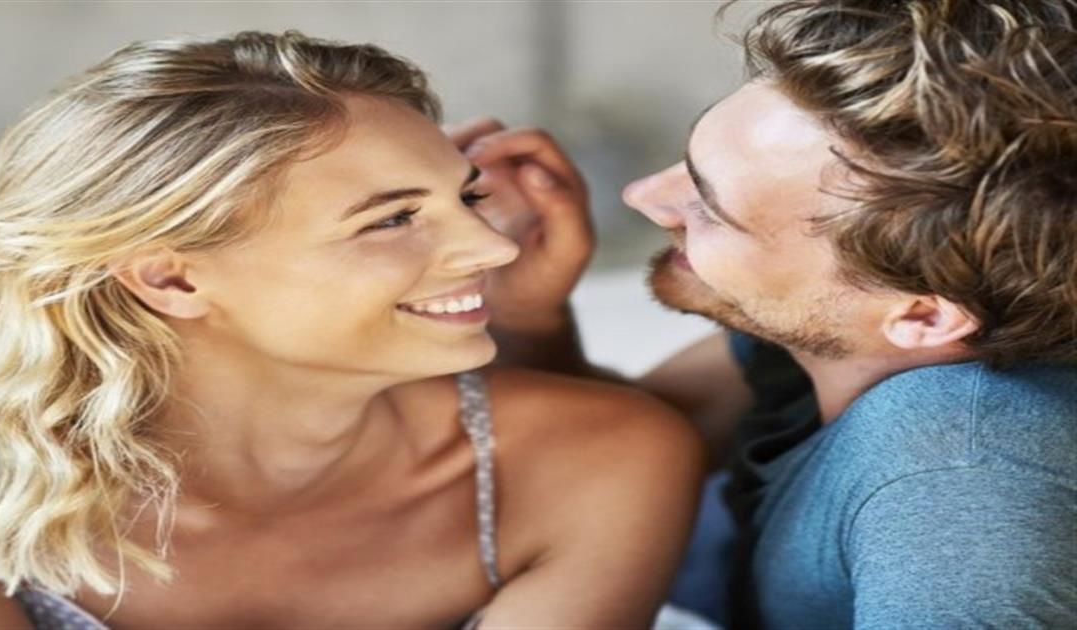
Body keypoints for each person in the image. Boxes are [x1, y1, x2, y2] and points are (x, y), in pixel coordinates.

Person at [0, 31, 706, 629]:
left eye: (467, 196)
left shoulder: (600, 463)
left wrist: (532, 323)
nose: (493, 247)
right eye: (391, 219)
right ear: (171, 278)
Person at [456, 0, 1077, 627]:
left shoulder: (960, 492)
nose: (643, 196)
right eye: (690, 163)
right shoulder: (836, 330)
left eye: (711, 208)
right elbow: (627, 450)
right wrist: (529, 310)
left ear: (922, 318)